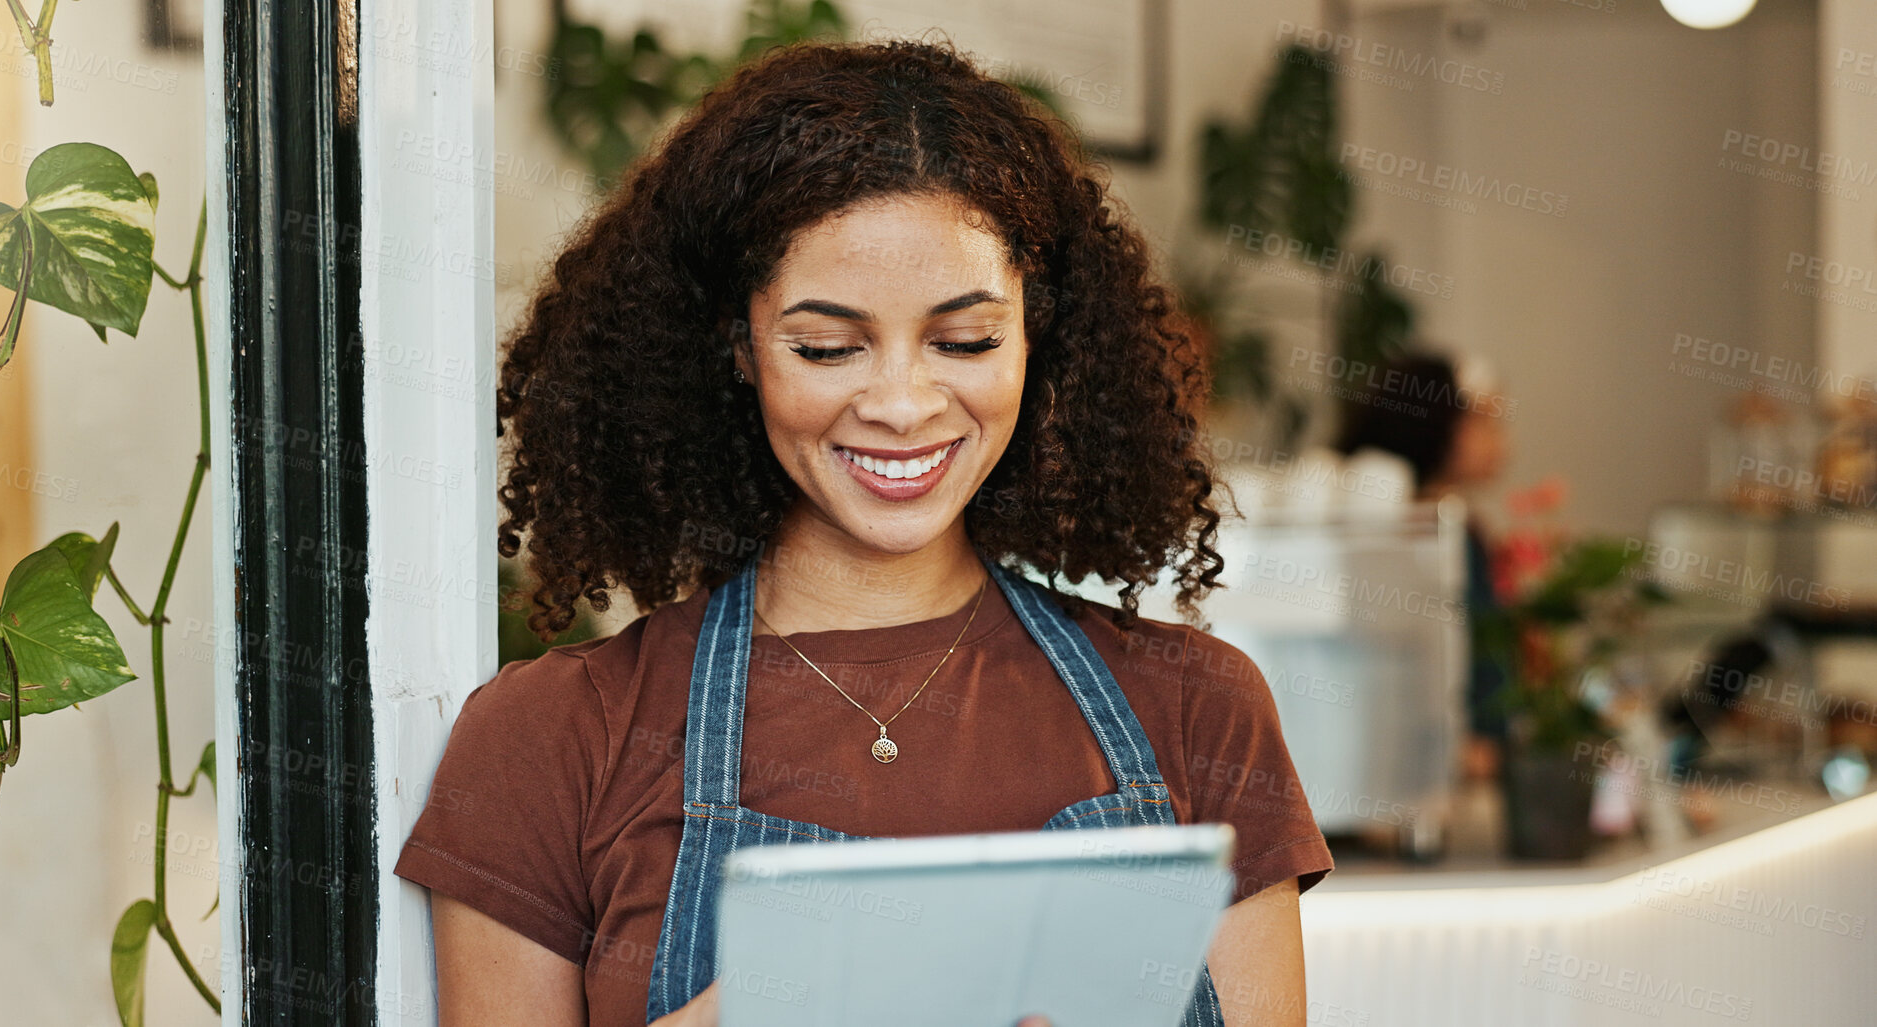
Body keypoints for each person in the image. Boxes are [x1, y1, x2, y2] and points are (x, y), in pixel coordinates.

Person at [394, 37, 1334, 1027]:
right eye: (828, 347)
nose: (901, 403)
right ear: (737, 349)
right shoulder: (550, 740)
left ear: (1037, 337)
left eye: (964, 341)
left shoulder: (1199, 711)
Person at [1331, 350, 1511, 781]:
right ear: (1438, 422)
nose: (1502, 441)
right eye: (1485, 421)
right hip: (1405, 763)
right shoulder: (1412, 532)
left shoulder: (1458, 527)